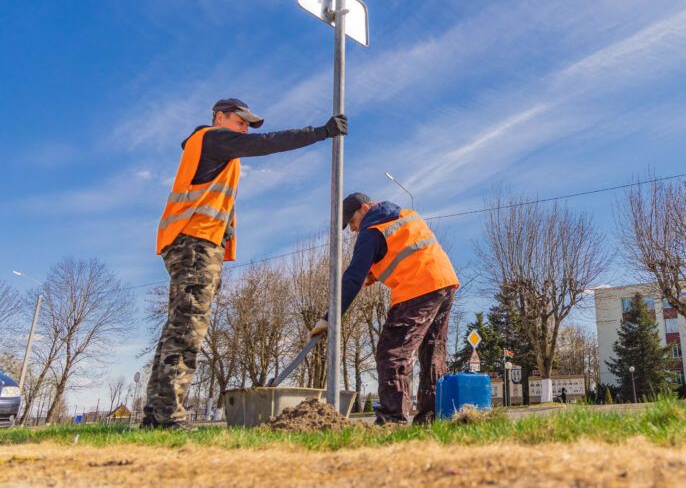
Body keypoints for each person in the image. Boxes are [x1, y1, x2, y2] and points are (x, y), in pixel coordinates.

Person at [142, 98, 348, 430]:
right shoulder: (212, 138)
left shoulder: (212, 147)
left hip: (191, 243)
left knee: (177, 330)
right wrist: (320, 132)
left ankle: (157, 413)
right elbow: (265, 143)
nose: (244, 128)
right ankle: (168, 416)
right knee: (187, 333)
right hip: (195, 242)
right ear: (219, 116)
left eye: (247, 125)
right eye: (240, 121)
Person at [310, 192, 459, 425]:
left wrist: (330, 317)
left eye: (351, 221)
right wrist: (374, 273)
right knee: (433, 352)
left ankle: (392, 421)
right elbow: (407, 252)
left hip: (417, 289)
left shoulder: (371, 231)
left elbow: (351, 279)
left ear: (365, 208)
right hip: (444, 282)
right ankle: (430, 419)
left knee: (392, 353)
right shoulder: (405, 215)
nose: (352, 229)